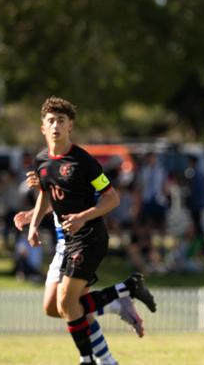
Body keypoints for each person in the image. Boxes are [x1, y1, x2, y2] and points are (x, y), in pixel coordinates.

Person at [25, 96, 157, 365]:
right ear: (42, 127)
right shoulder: (41, 161)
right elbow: (47, 195)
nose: (55, 126)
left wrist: (83, 217)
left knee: (68, 303)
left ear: (70, 125)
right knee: (55, 307)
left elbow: (112, 198)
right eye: (50, 121)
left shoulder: (84, 162)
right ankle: (123, 292)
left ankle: (93, 359)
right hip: (66, 242)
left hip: (88, 238)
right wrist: (33, 223)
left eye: (61, 121)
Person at [184, 155, 204, 255]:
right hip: (199, 204)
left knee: (198, 227)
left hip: (195, 205)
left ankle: (202, 248)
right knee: (199, 226)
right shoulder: (200, 173)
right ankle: (202, 248)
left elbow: (192, 191)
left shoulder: (193, 173)